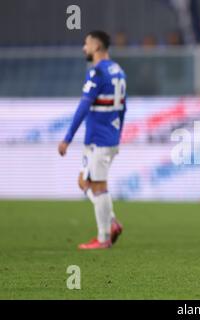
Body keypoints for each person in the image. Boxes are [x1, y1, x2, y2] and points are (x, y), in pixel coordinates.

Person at [58, 30, 126, 250]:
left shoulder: (96, 72)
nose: (83, 48)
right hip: (109, 137)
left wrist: (67, 138)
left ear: (97, 47)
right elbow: (124, 107)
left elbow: (83, 106)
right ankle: (112, 222)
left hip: (98, 138)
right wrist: (119, 133)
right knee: (84, 182)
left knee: (98, 186)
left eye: (86, 44)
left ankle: (103, 237)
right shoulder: (118, 70)